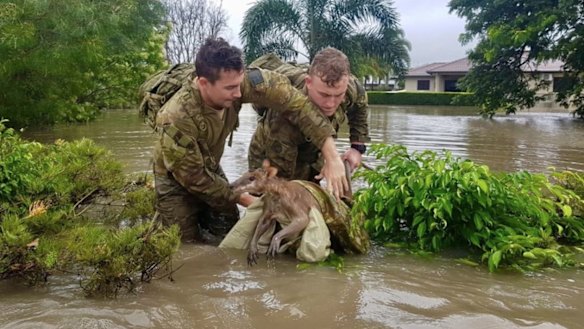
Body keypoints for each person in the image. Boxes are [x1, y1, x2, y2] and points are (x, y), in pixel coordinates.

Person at [150, 38, 348, 243]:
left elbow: (296, 104)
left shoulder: (239, 82)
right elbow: (193, 177)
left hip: (208, 164)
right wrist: (246, 199)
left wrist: (331, 155)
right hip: (175, 177)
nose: (238, 94)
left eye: (239, 84)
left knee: (228, 225)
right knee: (184, 244)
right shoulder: (176, 118)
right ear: (203, 84)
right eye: (230, 88)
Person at [247, 47, 369, 183]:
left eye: (338, 95)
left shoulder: (350, 88)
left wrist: (356, 147)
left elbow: (360, 101)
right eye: (324, 95)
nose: (330, 103)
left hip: (312, 153)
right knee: (272, 197)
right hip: (270, 157)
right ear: (308, 82)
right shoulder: (283, 117)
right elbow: (280, 181)